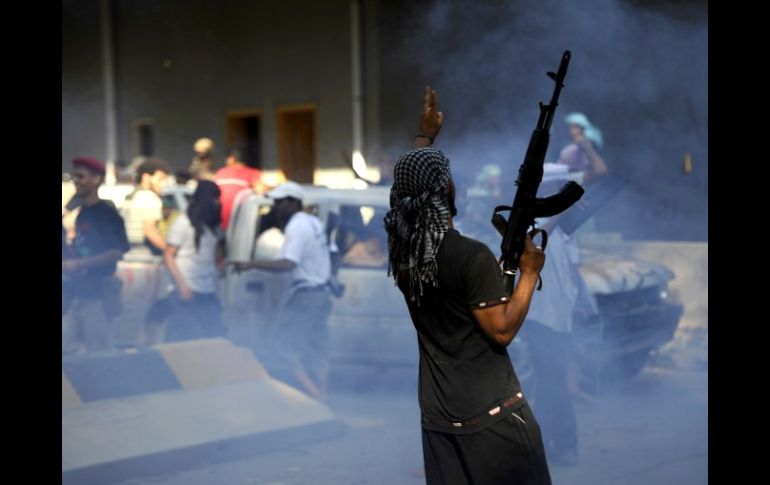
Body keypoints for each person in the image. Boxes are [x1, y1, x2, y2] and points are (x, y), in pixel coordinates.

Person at [383, 86, 550, 484]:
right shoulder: (469, 256)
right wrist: (529, 271)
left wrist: (425, 138)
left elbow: (412, 184)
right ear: (443, 190)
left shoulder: (406, 256)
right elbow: (502, 329)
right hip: (492, 422)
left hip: (440, 422)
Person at [230, 181, 333, 400]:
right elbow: (333, 253)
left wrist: (250, 264)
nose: (275, 208)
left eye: (279, 203)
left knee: (283, 348)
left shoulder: (297, 225)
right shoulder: (314, 222)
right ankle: (322, 392)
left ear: (292, 203)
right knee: (317, 350)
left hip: (306, 297)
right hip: (321, 294)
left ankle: (315, 395)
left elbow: (288, 263)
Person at [62, 157, 130, 354]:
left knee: (100, 353)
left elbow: (117, 251)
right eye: (75, 176)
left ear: (96, 179)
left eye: (81, 176)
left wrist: (79, 263)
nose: (77, 180)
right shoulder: (83, 211)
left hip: (98, 295)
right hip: (78, 292)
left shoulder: (106, 213)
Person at [163, 180, 228, 341]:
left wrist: (218, 269)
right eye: (213, 198)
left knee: (214, 333)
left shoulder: (212, 226)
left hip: (207, 288)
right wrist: (182, 286)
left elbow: (212, 254)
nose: (216, 203)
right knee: (184, 336)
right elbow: (168, 255)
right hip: (187, 288)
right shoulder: (183, 223)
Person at [214, 144, 265, 231]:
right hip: (240, 228)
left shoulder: (220, 172)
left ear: (231, 159)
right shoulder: (253, 173)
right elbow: (261, 192)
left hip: (217, 225)